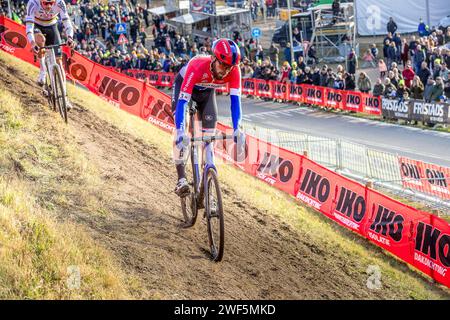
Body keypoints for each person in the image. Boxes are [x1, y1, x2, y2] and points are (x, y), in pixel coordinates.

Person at [171, 39, 245, 197]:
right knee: (181, 130)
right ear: (213, 58)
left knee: (208, 139)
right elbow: (183, 102)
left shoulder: (234, 71)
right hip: (185, 88)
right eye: (223, 65)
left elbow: (236, 103)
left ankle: (208, 181)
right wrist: (180, 131)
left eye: (229, 67)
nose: (226, 71)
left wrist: (238, 128)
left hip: (207, 94)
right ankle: (182, 179)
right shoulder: (197, 65)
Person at [25, 0, 75, 87]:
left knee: (59, 61)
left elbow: (67, 22)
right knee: (41, 40)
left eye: (51, 3)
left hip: (52, 25)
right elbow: (29, 26)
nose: (49, 6)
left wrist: (70, 37)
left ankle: (64, 95)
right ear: (40, 1)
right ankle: (43, 70)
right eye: (45, 3)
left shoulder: (60, 2)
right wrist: (32, 43)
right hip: (37, 25)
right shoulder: (32, 3)